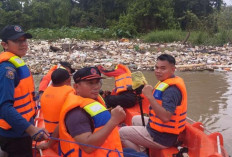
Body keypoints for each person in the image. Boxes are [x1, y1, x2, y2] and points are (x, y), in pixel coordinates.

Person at [119, 54, 187, 152]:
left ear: (173, 69)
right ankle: (143, 147)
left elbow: (165, 117)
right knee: (135, 119)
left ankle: (140, 154)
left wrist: (149, 96)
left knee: (122, 133)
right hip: (161, 131)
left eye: (163, 68)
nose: (158, 71)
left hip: (162, 137)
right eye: (156, 67)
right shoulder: (166, 81)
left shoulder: (171, 90)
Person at [0, 25, 48, 156]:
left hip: (22, 130)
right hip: (14, 135)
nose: (23, 44)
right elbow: (4, 108)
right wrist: (32, 129)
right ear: (5, 44)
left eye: (24, 40)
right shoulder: (7, 70)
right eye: (17, 41)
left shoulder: (17, 62)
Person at [58, 66, 126, 156]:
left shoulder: (90, 100)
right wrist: (114, 121)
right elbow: (88, 147)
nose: (96, 87)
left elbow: (59, 126)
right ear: (76, 87)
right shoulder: (76, 113)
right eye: (90, 83)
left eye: (97, 82)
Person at [40, 68, 75, 135]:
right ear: (69, 80)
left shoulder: (46, 91)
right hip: (62, 134)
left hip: (48, 133)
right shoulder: (70, 92)